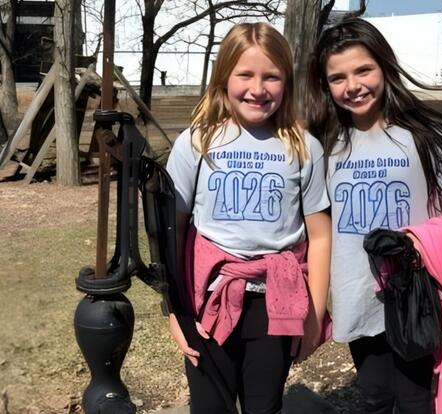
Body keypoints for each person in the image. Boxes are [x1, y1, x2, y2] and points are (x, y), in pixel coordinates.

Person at [307, 18, 442, 414]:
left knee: (414, 400)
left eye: (363, 70)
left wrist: (427, 240)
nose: (352, 85)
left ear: (385, 67)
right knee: (374, 395)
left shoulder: (429, 132)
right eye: (337, 77)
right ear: (325, 85)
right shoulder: (323, 141)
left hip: (416, 297)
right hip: (357, 293)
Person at [166, 22, 331, 414]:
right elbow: (171, 234)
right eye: (245, 74)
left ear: (286, 82)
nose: (258, 89)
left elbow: (321, 237)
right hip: (209, 300)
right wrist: (174, 312)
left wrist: (315, 315)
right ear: (224, 77)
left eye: (271, 76)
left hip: (277, 304)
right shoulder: (196, 141)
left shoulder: (304, 147)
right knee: (210, 408)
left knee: (265, 406)